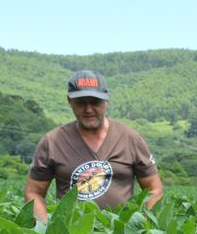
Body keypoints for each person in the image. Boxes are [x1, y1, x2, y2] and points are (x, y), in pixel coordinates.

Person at [24, 70, 163, 222]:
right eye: (81, 103)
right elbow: (34, 192)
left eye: (95, 102)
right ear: (70, 102)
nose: (89, 109)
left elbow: (153, 188)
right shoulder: (52, 142)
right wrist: (45, 230)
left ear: (106, 101)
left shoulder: (130, 138)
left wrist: (143, 227)